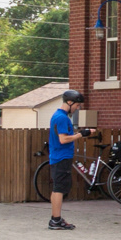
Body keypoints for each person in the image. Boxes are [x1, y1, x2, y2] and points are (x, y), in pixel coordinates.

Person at [47, 91, 88, 230]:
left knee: (57, 188)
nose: (77, 108)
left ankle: (55, 218)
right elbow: (63, 139)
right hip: (61, 157)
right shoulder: (62, 118)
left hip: (58, 156)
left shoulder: (58, 116)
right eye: (77, 105)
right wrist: (81, 134)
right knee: (59, 189)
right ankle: (56, 220)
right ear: (70, 103)